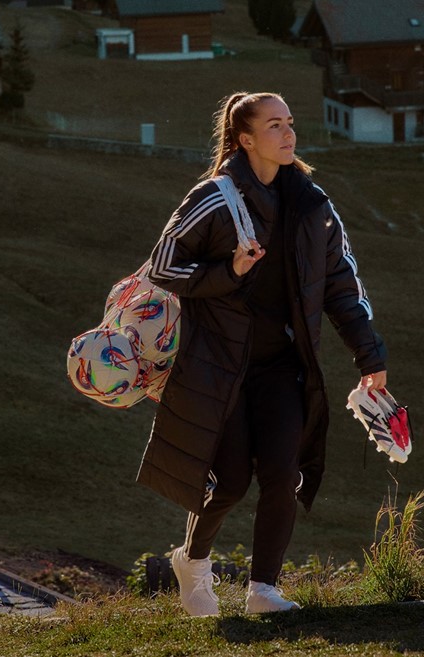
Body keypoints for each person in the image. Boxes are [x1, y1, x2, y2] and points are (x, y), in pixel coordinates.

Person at [136, 91, 388, 616]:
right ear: (245, 139)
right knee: (227, 483)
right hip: (220, 367)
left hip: (281, 368)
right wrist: (228, 273)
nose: (288, 134)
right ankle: (193, 561)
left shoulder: (315, 207)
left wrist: (370, 359)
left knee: (282, 473)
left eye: (290, 123)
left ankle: (263, 590)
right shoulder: (213, 198)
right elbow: (162, 266)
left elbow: (344, 287)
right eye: (274, 126)